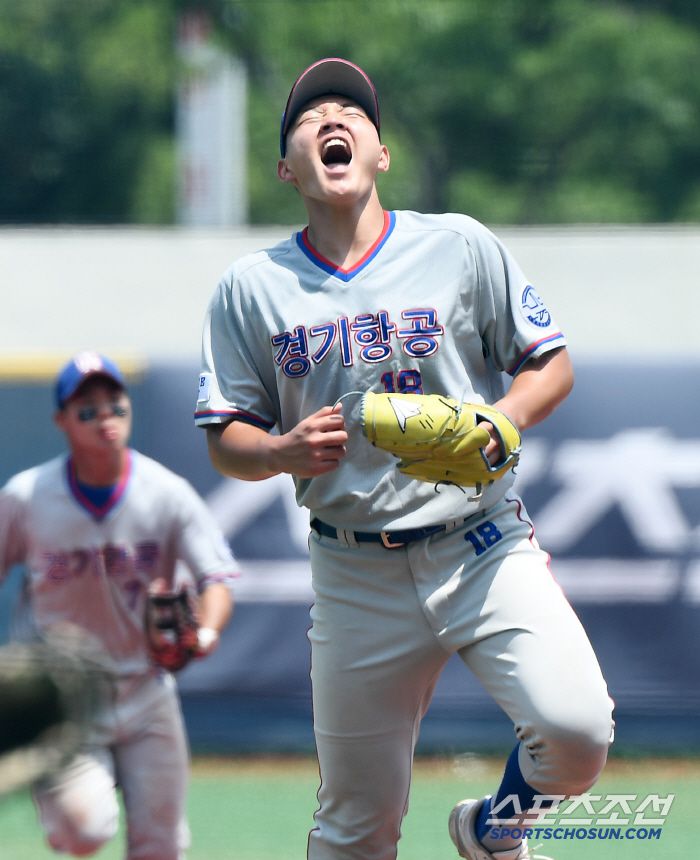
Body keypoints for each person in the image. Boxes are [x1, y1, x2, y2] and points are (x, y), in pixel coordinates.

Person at [195, 58, 614, 860]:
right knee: (357, 830)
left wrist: (505, 416)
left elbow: (550, 364)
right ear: (286, 169)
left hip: (480, 540)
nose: (332, 120)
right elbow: (226, 439)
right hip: (356, 572)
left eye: (351, 112)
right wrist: (279, 450)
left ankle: (494, 832)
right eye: (310, 117)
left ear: (381, 153)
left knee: (576, 734)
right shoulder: (251, 287)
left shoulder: (457, 246)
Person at [0, 351, 238, 859]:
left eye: (115, 405)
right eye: (87, 409)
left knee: (161, 846)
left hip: (146, 690)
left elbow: (217, 577)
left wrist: (206, 632)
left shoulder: (166, 493)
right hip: (64, 700)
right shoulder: (27, 496)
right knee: (86, 830)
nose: (104, 416)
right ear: (62, 421)